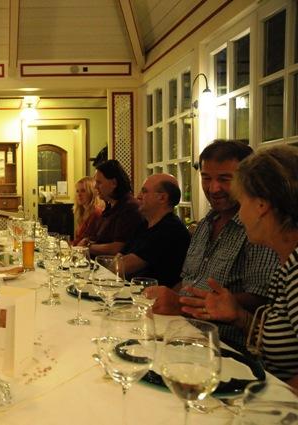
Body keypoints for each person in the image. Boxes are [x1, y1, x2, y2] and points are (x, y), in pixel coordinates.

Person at [179, 145, 298, 387]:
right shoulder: (287, 266)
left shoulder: (295, 270)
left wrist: (277, 401)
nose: (240, 215)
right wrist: (238, 316)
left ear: (261, 206)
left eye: (242, 203)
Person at [146, 140, 278, 348]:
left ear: (247, 181)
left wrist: (184, 304)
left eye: (225, 179)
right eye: (206, 178)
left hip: (225, 344)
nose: (213, 188)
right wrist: (162, 297)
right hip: (181, 329)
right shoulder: (205, 223)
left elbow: (260, 298)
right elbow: (188, 280)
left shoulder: (260, 227)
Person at [121, 173, 191, 287]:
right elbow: (120, 256)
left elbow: (123, 267)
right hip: (133, 290)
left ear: (162, 198)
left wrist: (111, 263)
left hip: (151, 295)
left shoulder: (171, 230)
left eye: (144, 191)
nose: (138, 196)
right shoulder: (144, 224)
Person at [89, 159, 143, 256]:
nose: (95, 187)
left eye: (99, 182)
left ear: (114, 183)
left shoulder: (129, 208)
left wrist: (87, 248)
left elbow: (117, 248)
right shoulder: (110, 207)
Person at [72, 176, 104, 246]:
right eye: (77, 191)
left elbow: (89, 241)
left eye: (83, 191)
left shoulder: (96, 213)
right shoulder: (83, 212)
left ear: (92, 193)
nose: (79, 194)